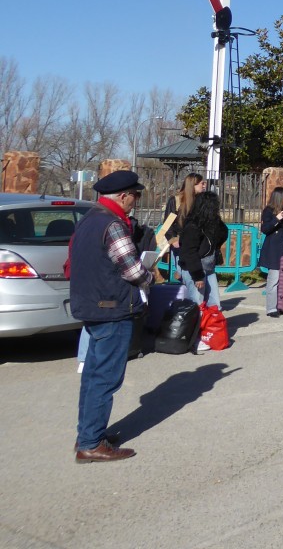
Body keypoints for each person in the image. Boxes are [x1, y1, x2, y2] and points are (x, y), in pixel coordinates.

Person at [71, 169, 154, 463]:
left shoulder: (88, 220)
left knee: (94, 376)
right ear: (123, 195)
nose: (136, 201)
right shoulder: (113, 224)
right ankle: (91, 443)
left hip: (91, 306)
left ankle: (90, 434)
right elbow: (132, 270)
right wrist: (149, 278)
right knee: (105, 378)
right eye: (135, 195)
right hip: (112, 308)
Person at [177, 191, 228, 332]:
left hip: (209, 268)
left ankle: (211, 331)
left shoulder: (210, 224)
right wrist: (198, 275)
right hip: (194, 269)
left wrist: (217, 221)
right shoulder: (192, 226)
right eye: (215, 207)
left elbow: (224, 232)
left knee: (214, 303)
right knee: (197, 303)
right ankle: (195, 334)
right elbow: (189, 252)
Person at [259, 187, 283, 317]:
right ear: (280, 197)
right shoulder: (268, 211)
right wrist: (277, 218)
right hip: (274, 251)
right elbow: (265, 229)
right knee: (274, 279)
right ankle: (271, 308)